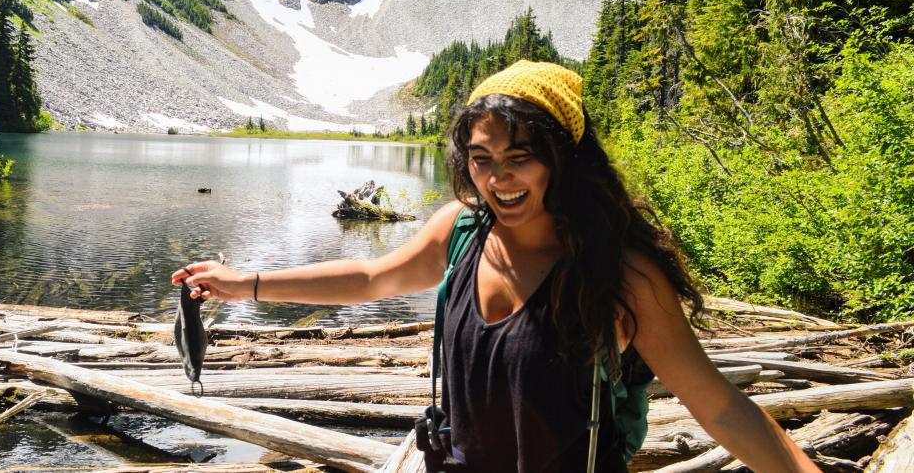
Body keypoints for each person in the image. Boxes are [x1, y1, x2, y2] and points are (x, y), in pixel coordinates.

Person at [171, 61, 817, 473]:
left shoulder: (617, 276)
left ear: (563, 156)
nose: (498, 178)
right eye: (481, 158)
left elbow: (722, 407)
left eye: (519, 156)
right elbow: (371, 279)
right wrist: (243, 283)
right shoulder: (461, 232)